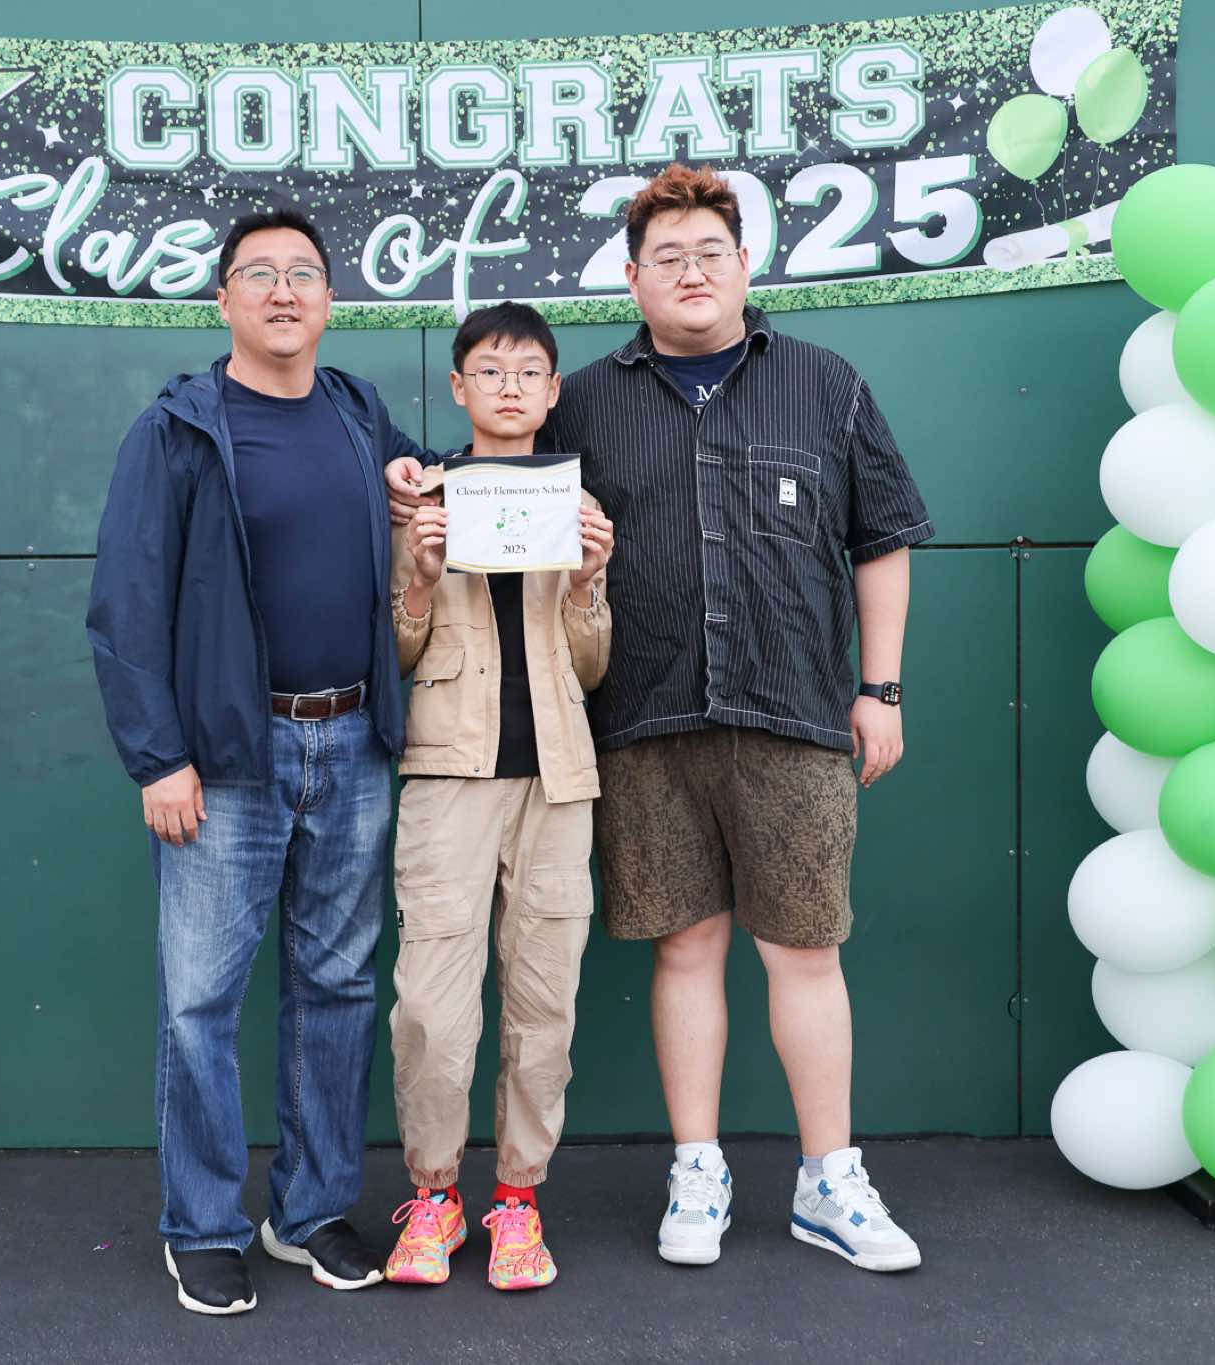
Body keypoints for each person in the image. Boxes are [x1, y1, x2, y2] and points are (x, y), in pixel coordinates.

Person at [385, 164, 933, 1274]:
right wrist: (414, 481)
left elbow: (880, 536)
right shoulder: (584, 401)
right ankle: (697, 1167)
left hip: (791, 711)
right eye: (666, 258)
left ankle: (830, 1177)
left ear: (745, 265)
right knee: (685, 949)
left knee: (804, 949)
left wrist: (879, 690)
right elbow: (496, 471)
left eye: (709, 253)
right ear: (632, 279)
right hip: (643, 717)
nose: (690, 272)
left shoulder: (824, 383)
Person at [89, 207, 426, 1316]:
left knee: (336, 987)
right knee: (200, 1001)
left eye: (304, 274)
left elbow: (429, 497)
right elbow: (126, 605)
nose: (284, 291)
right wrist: (158, 759)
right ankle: (202, 1224)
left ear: (329, 300)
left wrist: (441, 485)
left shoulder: (358, 414)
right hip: (225, 760)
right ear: (224, 298)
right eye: (260, 273)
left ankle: (311, 1210)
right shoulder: (177, 430)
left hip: (355, 743)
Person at [384, 303, 614, 1292]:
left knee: (543, 1003)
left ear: (553, 391)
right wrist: (419, 577)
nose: (509, 386)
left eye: (528, 372)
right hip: (447, 774)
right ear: (458, 388)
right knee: (431, 1007)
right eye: (489, 370)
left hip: (558, 778)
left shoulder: (577, 502)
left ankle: (517, 1201)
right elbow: (395, 654)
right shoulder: (419, 501)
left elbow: (592, 669)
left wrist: (589, 582)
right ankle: (433, 1197)